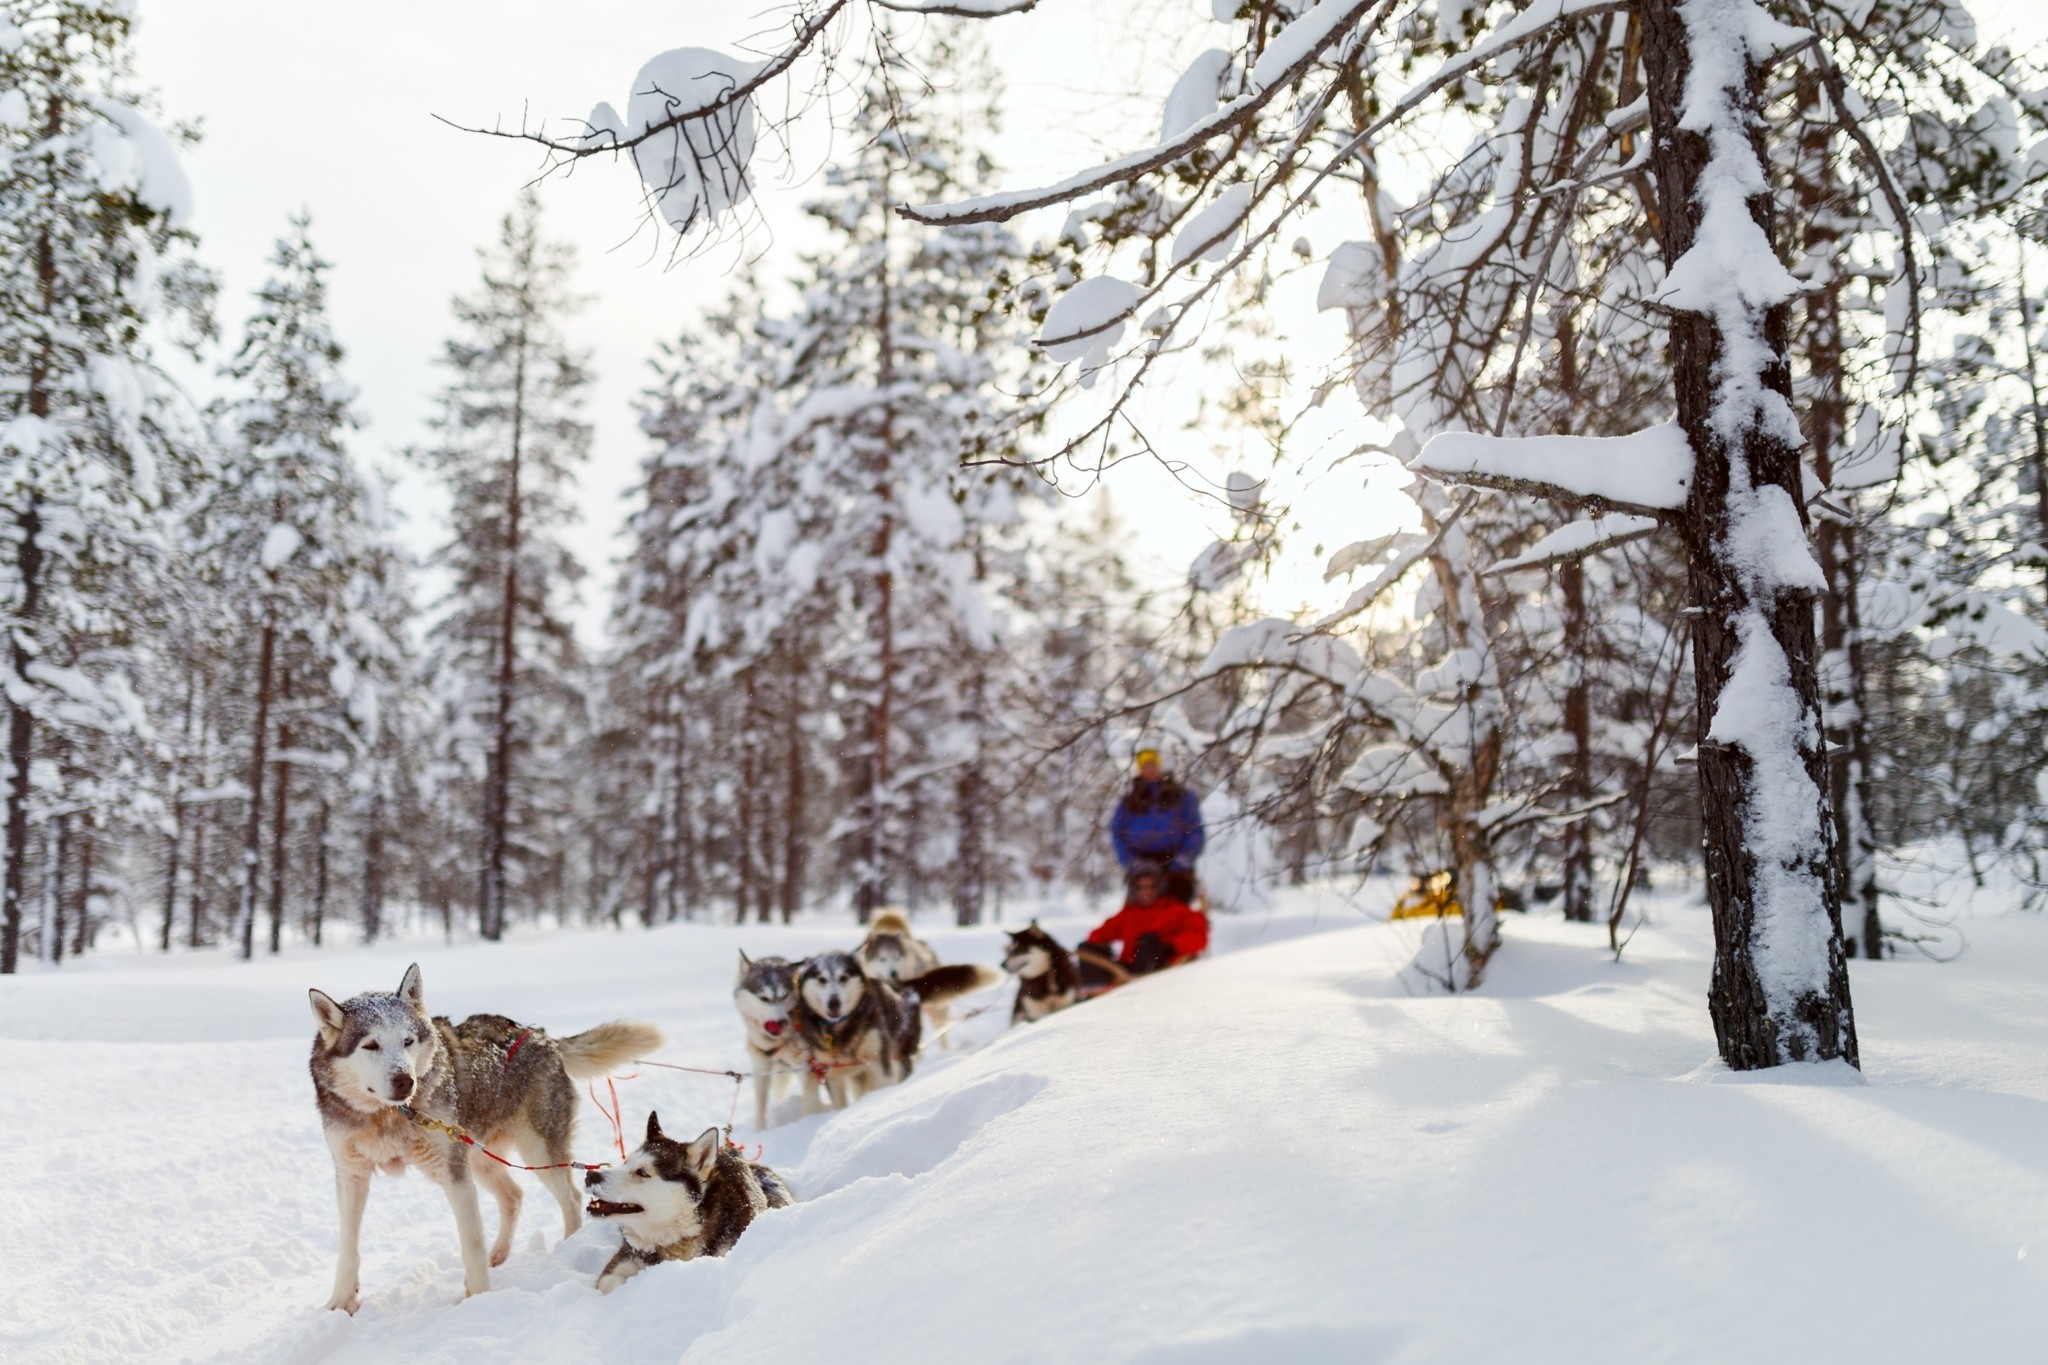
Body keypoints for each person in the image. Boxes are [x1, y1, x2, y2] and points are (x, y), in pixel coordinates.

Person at [1075, 862, 1210, 990]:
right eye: (1141, 887)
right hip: (1127, 968)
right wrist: (1096, 949)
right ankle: (1095, 992)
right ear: (1134, 890)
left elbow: (1199, 936)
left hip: (1159, 969)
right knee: (1086, 949)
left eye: (1151, 887)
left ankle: (1141, 988)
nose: (1147, 892)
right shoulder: (1129, 914)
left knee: (1148, 940)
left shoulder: (1174, 910)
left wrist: (1171, 947)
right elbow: (1099, 935)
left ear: (1160, 888)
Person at [1110, 748, 1205, 904]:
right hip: (1141, 865)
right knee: (1139, 916)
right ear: (1139, 769)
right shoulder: (1130, 801)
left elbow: (1194, 829)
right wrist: (1131, 861)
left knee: (1176, 912)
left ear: (1161, 765)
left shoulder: (1180, 796)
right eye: (1145, 766)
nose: (1150, 769)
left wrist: (1184, 858)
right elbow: (1117, 832)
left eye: (1153, 764)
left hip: (1175, 864)